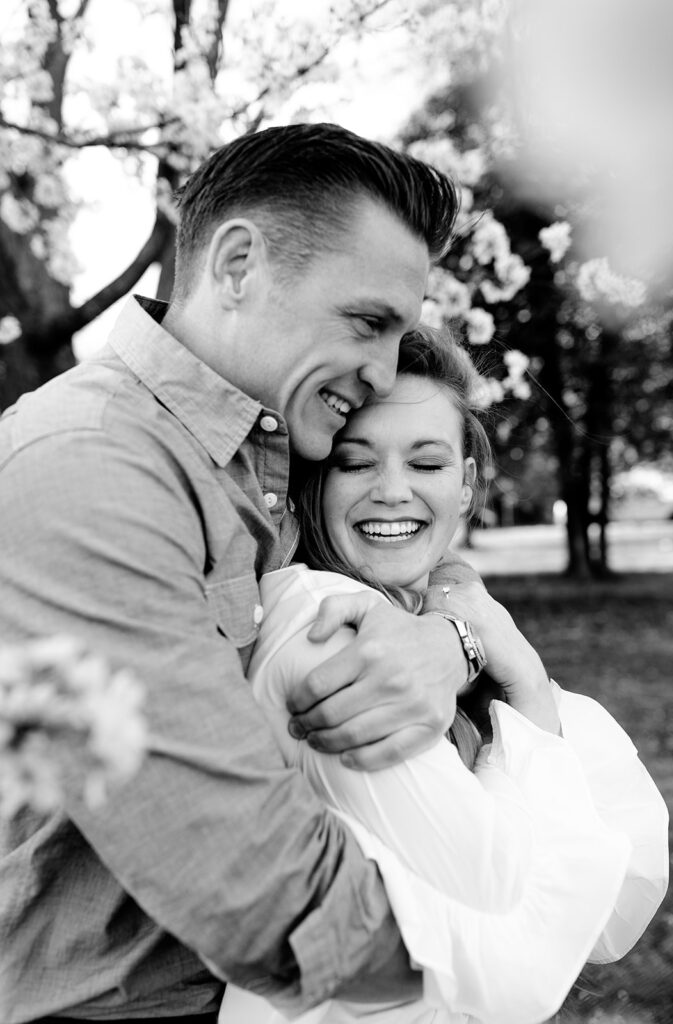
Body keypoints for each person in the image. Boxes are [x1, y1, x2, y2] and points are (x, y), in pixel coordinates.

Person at [0, 123, 493, 1024]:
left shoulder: (252, 458)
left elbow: (394, 559)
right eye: (368, 323)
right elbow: (251, 890)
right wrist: (496, 962)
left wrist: (450, 637)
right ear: (236, 265)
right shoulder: (90, 468)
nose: (384, 375)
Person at [219, 326, 669, 1024]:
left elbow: (619, 899)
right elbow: (520, 916)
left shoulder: (433, 619)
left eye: (425, 464)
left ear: (464, 487)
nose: (391, 491)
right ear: (314, 479)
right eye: (354, 462)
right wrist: (516, 674)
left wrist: (475, 638)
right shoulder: (324, 628)